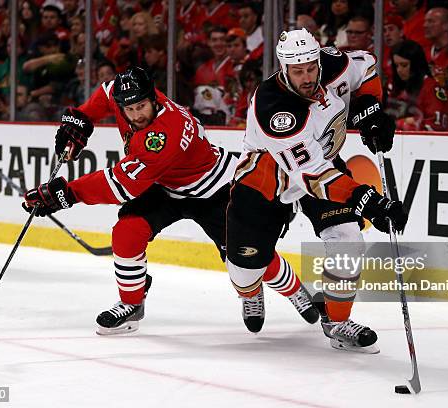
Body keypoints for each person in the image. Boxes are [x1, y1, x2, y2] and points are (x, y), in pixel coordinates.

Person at [22, 66, 319, 335]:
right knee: (127, 232)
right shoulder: (129, 95)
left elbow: (121, 185)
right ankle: (131, 304)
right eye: (130, 109)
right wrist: (82, 119)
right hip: (166, 186)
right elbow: (106, 92)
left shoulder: (165, 132)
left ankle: (292, 289)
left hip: (215, 188)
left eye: (141, 107)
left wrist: (66, 194)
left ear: (154, 100)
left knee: (248, 256)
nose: (136, 115)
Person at [225, 29, 408, 353]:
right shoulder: (273, 108)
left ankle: (336, 322)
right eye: (298, 71)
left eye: (311, 67)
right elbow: (314, 177)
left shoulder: (332, 64)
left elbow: (367, 67)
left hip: (323, 161)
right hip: (266, 181)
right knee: (244, 270)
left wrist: (370, 107)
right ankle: (252, 289)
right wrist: (368, 200)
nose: (307, 76)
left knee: (349, 241)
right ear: (283, 68)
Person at [387, 40, 448, 131]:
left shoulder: (433, 89)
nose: (399, 70)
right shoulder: (398, 88)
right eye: (396, 66)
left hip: (429, 142)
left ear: (416, 64)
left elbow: (438, 125)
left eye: (404, 65)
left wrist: (404, 124)